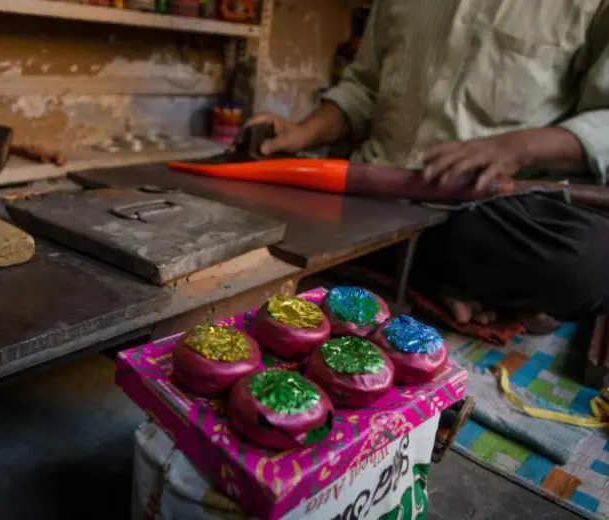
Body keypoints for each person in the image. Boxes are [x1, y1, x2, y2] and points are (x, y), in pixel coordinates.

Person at [246, 0, 609, 331]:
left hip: (487, 212)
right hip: (375, 196)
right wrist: (302, 132)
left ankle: (412, 269)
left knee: (591, 263)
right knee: (267, 201)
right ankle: (454, 282)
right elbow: (364, 90)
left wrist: (518, 148)